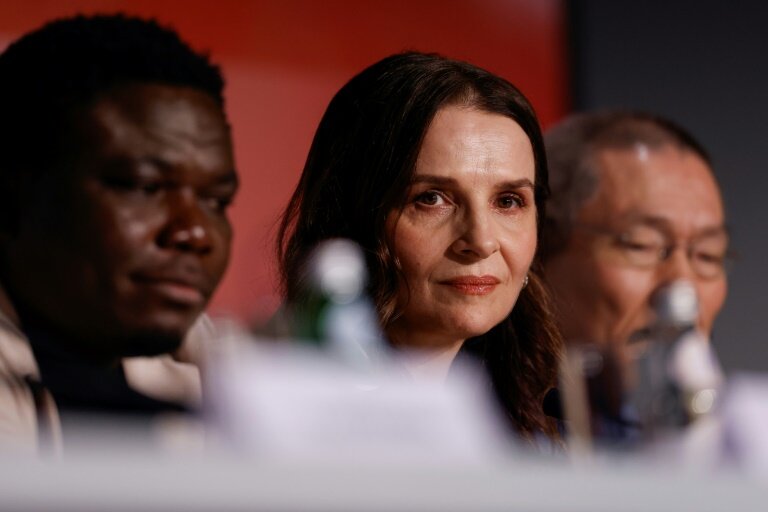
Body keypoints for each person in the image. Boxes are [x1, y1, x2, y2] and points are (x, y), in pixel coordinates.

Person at [276, 52, 562, 440]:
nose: (480, 241)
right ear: (350, 216)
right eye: (432, 198)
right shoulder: (280, 415)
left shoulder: (554, 428)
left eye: (508, 201)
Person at [0, 14, 238, 453]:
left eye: (216, 201)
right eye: (145, 187)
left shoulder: (220, 376)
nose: (194, 233)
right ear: (13, 194)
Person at [541, 111, 729, 438]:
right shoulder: (472, 433)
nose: (682, 288)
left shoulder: (735, 451)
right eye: (641, 246)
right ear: (539, 251)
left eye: (707, 255)